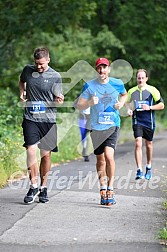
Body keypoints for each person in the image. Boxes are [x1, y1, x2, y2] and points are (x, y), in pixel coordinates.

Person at [76, 57, 127, 205]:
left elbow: (124, 94)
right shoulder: (89, 86)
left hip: (112, 124)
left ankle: (111, 189)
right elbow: (79, 105)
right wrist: (90, 102)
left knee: (109, 156)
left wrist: (121, 103)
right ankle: (102, 188)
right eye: (99, 67)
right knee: (100, 160)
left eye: (104, 67)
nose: (101, 70)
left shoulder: (117, 83)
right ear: (96, 69)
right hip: (96, 127)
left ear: (109, 69)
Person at [19, 47, 64, 204]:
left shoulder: (55, 76)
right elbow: (21, 81)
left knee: (45, 155)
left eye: (42, 64)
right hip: (30, 118)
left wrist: (59, 100)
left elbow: (58, 98)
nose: (39, 67)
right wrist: (22, 92)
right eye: (37, 64)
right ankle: (33, 185)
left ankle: (43, 188)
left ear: (48, 60)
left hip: (48, 120)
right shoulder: (28, 70)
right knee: (31, 150)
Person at [126, 69, 164, 180]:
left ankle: (148, 166)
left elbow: (161, 105)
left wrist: (150, 107)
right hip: (137, 120)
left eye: (142, 78)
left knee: (149, 145)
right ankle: (139, 170)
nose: (140, 80)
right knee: (138, 143)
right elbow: (127, 102)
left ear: (146, 78)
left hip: (149, 121)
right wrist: (128, 109)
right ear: (136, 78)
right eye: (139, 78)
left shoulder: (153, 90)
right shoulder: (131, 91)